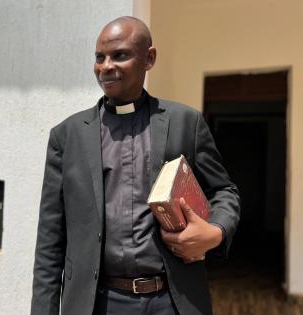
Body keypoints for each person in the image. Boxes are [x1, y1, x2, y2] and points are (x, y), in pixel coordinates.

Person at [31, 16, 240, 315]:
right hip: (98, 303)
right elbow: (49, 242)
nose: (105, 66)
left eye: (120, 55)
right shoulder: (67, 137)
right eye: (99, 57)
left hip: (173, 300)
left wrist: (215, 232)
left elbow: (225, 190)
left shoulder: (186, 123)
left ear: (149, 58)